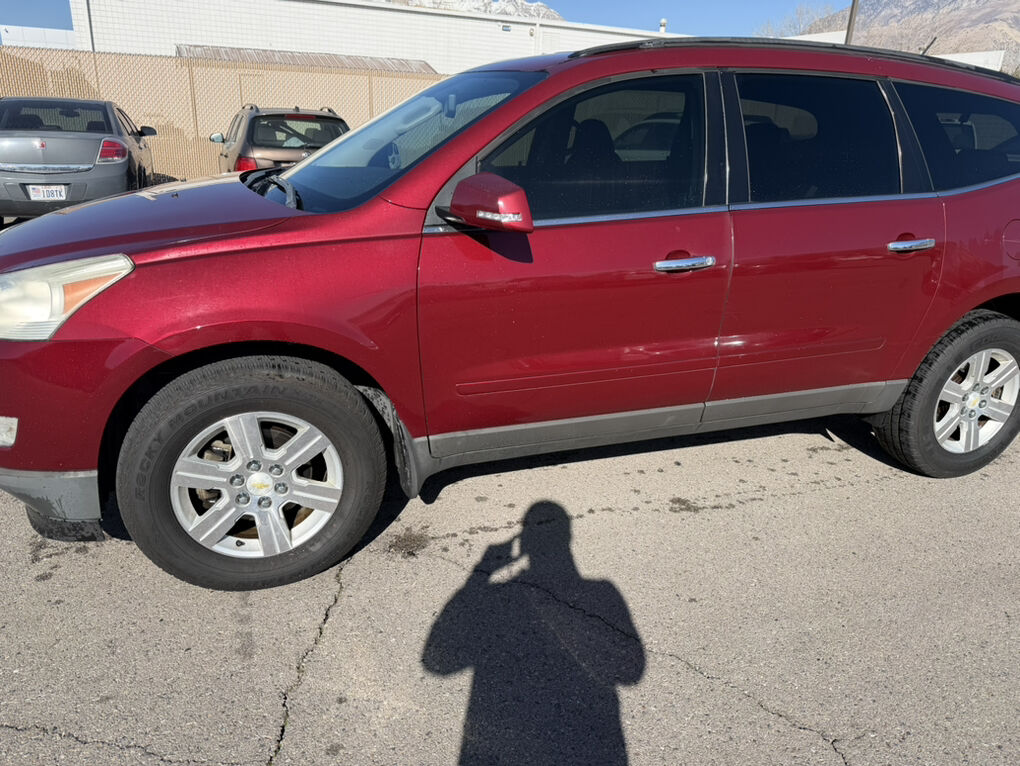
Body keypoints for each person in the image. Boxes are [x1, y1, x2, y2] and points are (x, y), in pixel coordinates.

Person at [422, 501, 645, 765]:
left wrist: (478, 576)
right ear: (569, 536)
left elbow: (438, 663)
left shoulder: (496, 598)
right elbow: (631, 673)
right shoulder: (603, 592)